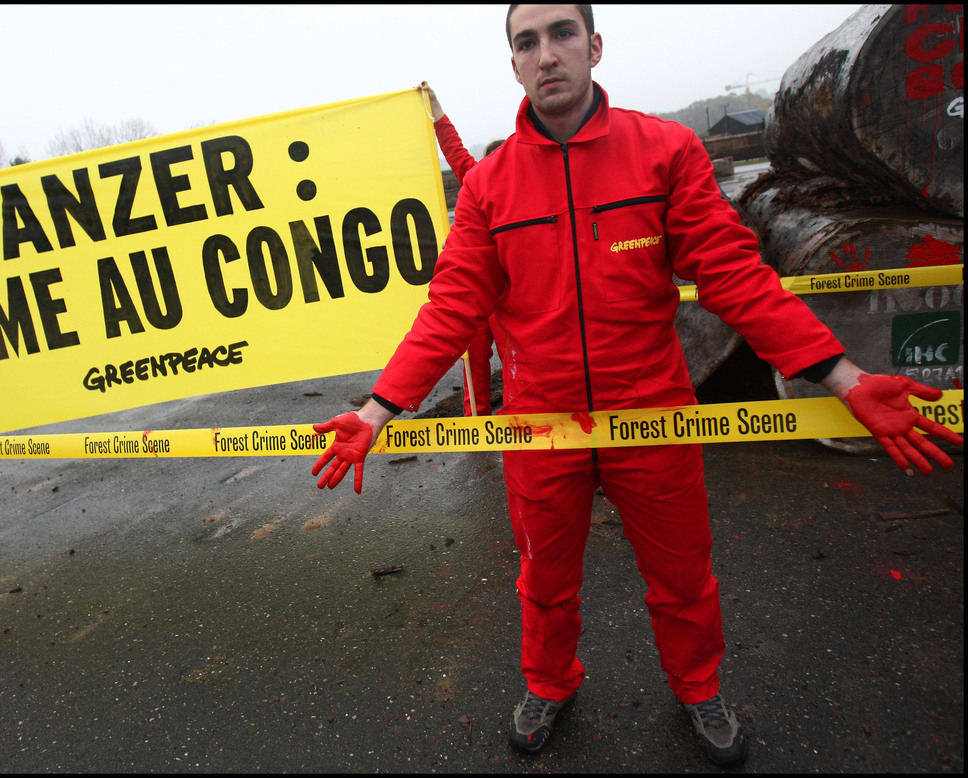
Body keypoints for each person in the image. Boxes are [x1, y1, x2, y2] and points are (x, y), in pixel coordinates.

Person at [310, 4, 963, 768]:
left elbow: (736, 278)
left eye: (561, 34)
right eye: (527, 42)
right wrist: (378, 408)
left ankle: (698, 689)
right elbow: (451, 305)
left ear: (594, 45)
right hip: (540, 428)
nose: (546, 53)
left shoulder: (664, 152)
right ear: (512, 64)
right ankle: (549, 682)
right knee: (543, 583)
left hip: (653, 417)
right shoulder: (489, 187)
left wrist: (843, 377)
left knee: (683, 578)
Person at [421, 82, 502, 416]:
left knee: (523, 361)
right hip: (479, 291)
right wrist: (436, 113)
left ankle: (529, 423)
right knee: (474, 362)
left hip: (514, 296)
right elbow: (455, 151)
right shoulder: (478, 180)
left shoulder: (532, 191)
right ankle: (475, 422)